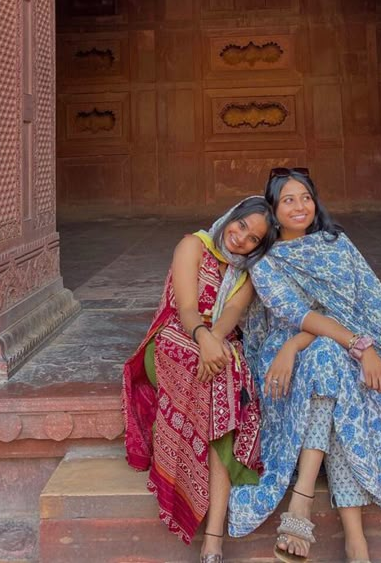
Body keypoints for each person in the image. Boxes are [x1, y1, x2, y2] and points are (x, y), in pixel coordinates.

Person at [228, 169, 381, 563]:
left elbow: (358, 306)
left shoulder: (337, 246)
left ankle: (302, 503)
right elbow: (301, 315)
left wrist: (355, 346)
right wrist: (307, 344)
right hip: (284, 360)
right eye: (288, 199)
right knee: (329, 365)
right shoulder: (266, 261)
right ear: (274, 210)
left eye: (305, 197)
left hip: (340, 343)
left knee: (329, 362)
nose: (299, 206)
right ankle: (355, 538)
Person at [122, 196, 277, 563]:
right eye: (241, 226)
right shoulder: (193, 245)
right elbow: (186, 307)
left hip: (219, 346)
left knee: (219, 382)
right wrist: (204, 339)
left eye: (253, 239)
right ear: (230, 218)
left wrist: (214, 342)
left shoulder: (246, 274)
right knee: (216, 384)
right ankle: (210, 533)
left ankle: (213, 537)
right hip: (174, 337)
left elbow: (233, 313)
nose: (241, 239)